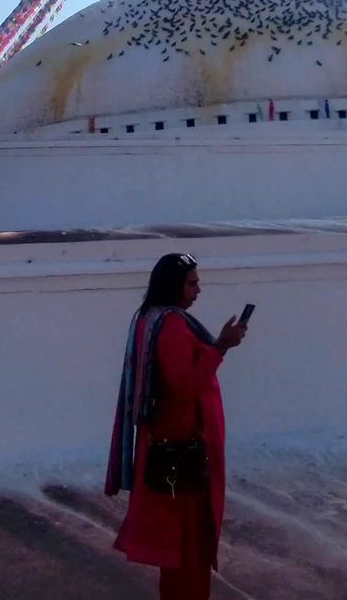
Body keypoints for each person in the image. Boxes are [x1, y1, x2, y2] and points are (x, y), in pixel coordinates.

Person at [105, 253, 249, 600]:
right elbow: (183, 387)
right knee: (189, 551)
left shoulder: (151, 318)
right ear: (174, 285)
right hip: (181, 457)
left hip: (173, 449)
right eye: (191, 283)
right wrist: (220, 347)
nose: (198, 290)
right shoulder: (169, 325)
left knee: (180, 552)